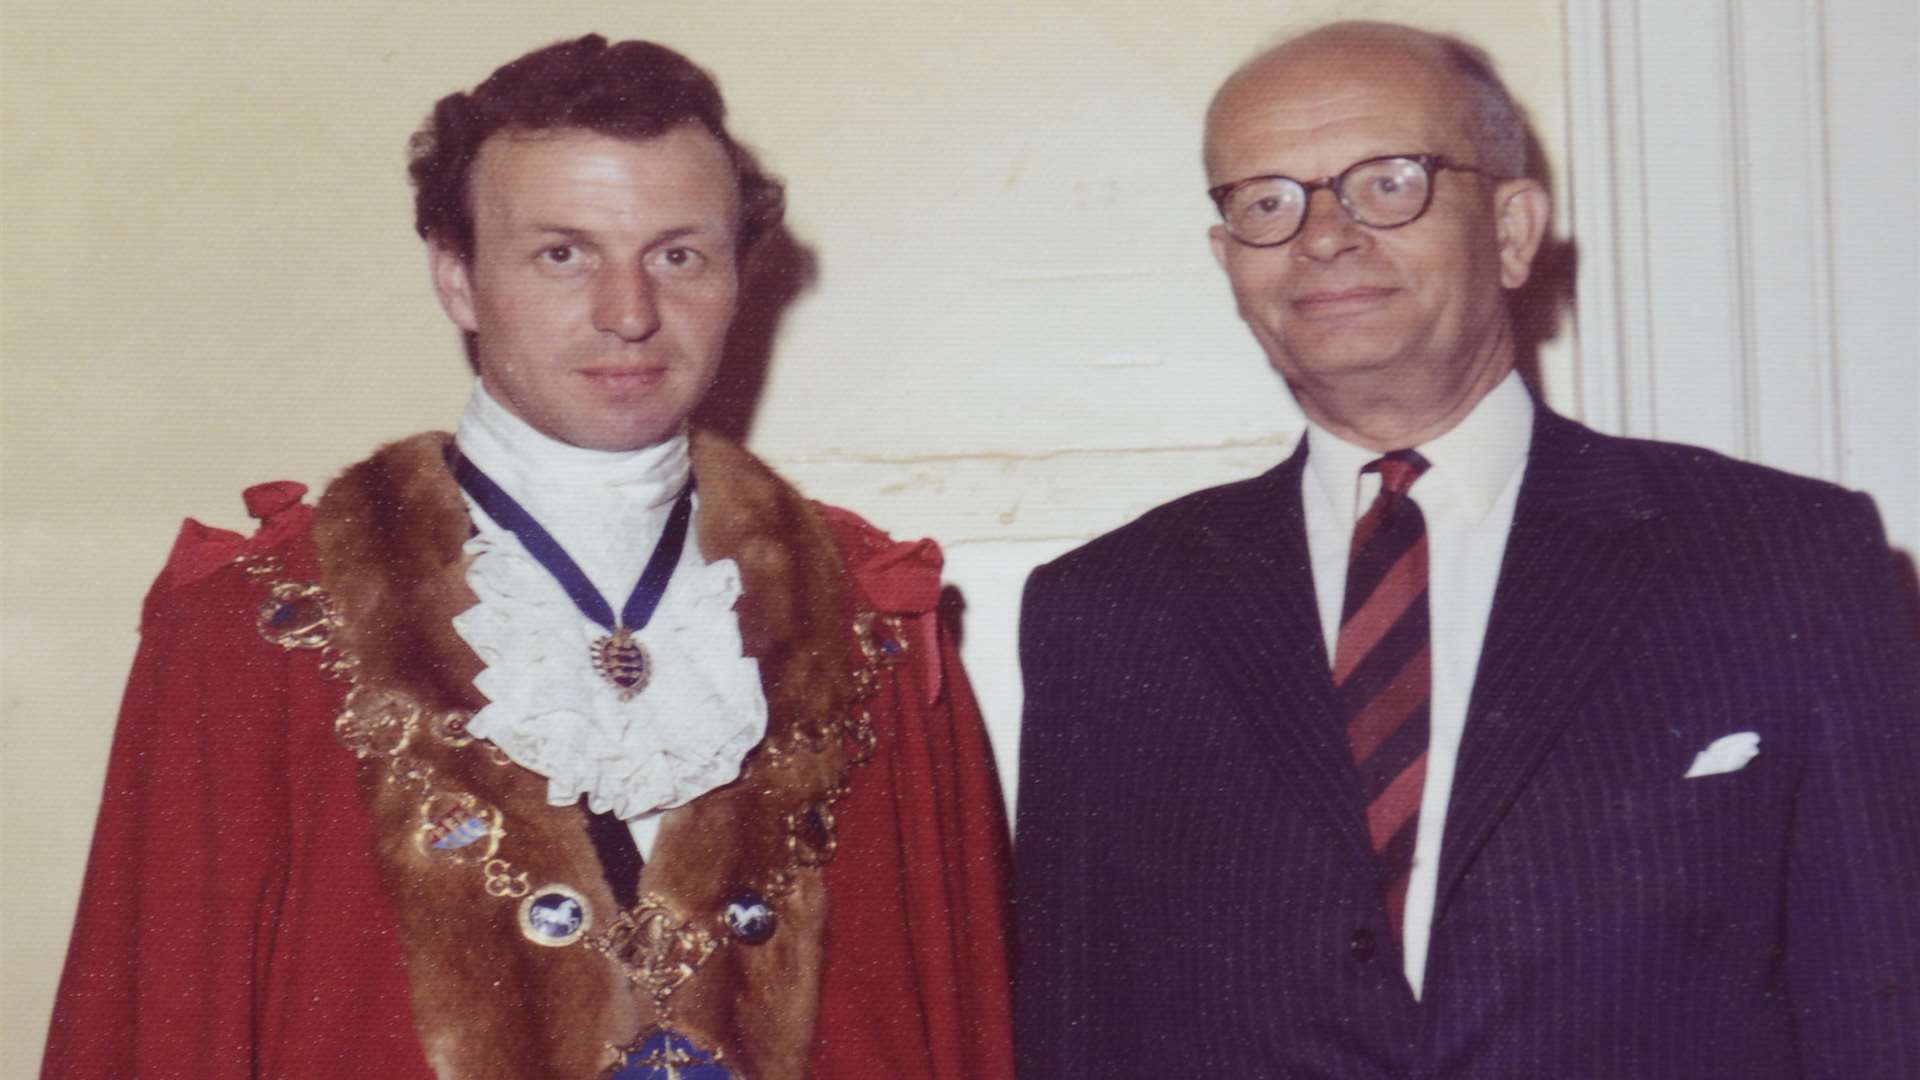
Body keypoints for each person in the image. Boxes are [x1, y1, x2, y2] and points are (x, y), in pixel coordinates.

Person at [45, 35, 1014, 1080]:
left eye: (678, 254)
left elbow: (957, 1030)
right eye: (563, 253)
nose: (629, 313)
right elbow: (154, 1036)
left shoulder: (871, 615)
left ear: (740, 275)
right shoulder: (257, 625)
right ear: (456, 277)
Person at [1013, 20, 1919, 1078]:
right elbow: (1073, 1039)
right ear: (1228, 262)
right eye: (1267, 201)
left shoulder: (1786, 558)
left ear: (1512, 227)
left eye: (1388, 182)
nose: (1324, 236)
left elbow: (1885, 1006)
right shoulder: (1109, 610)